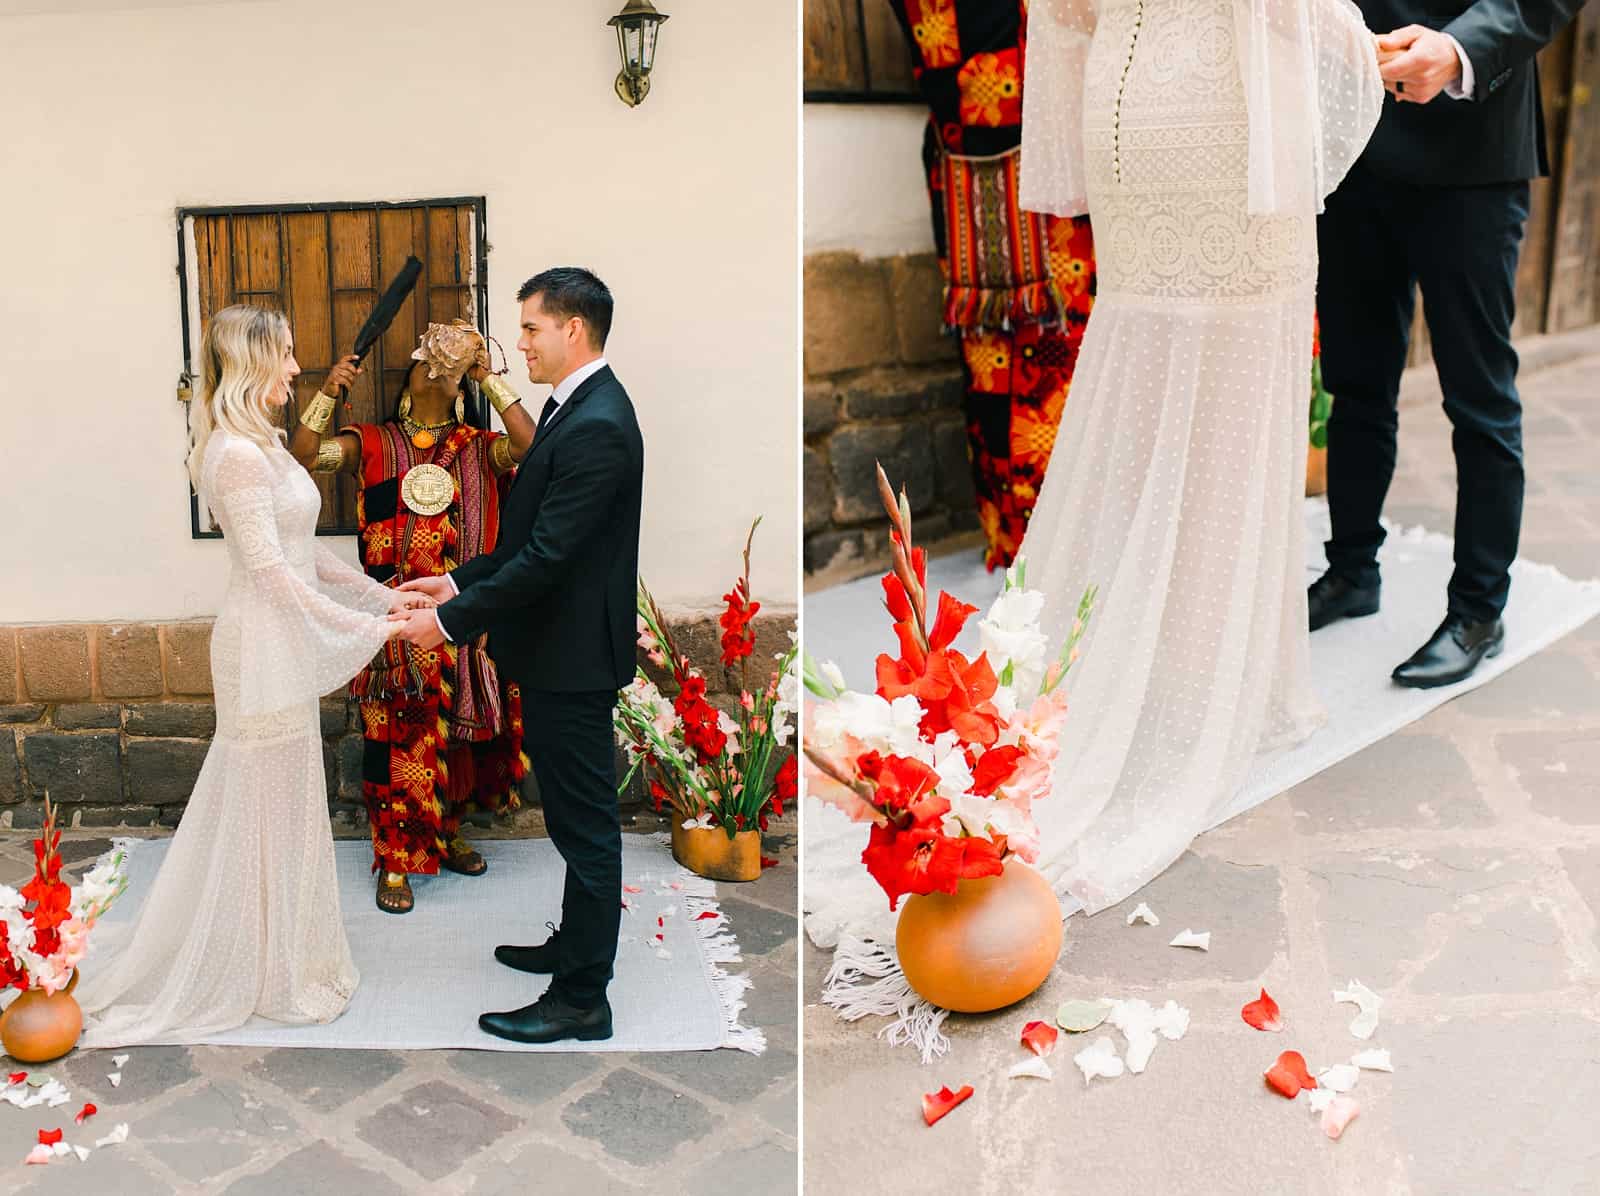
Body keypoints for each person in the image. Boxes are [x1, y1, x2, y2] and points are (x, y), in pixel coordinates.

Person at [1013, 0, 1382, 912]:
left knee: (1145, 389)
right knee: (1234, 403)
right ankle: (1206, 688)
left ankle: (1135, 656)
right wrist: (1364, 51)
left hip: (1131, 117)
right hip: (1229, 125)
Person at [78, 305, 406, 1046]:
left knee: (286, 801)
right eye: (286, 356)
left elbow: (306, 555)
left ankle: (281, 956)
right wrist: (371, 630)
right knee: (263, 800)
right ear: (253, 361)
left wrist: (388, 596)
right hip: (259, 642)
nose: (297, 368)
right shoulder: (233, 454)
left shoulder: (268, 447)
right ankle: (253, 964)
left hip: (280, 637)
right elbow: (268, 575)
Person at [391, 268, 643, 1045]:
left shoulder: (600, 422)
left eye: (530, 328)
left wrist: (453, 623)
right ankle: (574, 947)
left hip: (573, 658)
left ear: (573, 330)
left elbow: (549, 559)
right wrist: (455, 579)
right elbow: (526, 542)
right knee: (573, 820)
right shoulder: (577, 407)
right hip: (553, 651)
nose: (519, 343)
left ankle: (581, 1000)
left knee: (588, 827)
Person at [1310, 0, 1584, 687]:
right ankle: (1351, 571)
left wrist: (1460, 49)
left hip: (1475, 150)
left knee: (1479, 398)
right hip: (1352, 141)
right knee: (1355, 380)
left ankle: (1478, 612)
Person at [289, 319, 537, 914]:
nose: (440, 374)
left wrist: (490, 379)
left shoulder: (481, 445)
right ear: (415, 371)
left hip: (463, 619)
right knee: (395, 742)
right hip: (392, 620)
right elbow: (301, 456)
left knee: (454, 740)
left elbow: (531, 446)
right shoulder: (369, 442)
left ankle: (444, 837)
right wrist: (329, 390)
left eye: (454, 371)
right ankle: (396, 857)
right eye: (435, 365)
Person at [884, 0, 1099, 570]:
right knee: (999, 368)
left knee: (1065, 356)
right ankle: (1023, 535)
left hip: (1040, 180)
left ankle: (1056, 533)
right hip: (994, 178)